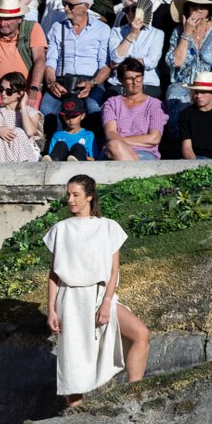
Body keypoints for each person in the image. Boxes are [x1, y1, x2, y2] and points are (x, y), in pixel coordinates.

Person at [44, 175, 149, 408]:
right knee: (73, 360)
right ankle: (77, 416)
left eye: (75, 195)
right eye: (68, 194)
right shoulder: (60, 230)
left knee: (141, 333)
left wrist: (107, 302)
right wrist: (51, 309)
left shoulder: (108, 227)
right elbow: (54, 274)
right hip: (70, 299)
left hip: (101, 294)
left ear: (89, 197)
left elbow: (114, 271)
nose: (70, 199)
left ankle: (134, 395)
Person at [41, 0, 111, 119]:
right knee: (47, 109)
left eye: (70, 5)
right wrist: (51, 83)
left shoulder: (102, 29)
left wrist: (92, 84)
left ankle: (90, 139)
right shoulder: (57, 27)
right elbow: (50, 61)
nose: (65, 8)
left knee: (93, 107)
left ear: (86, 6)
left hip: (91, 81)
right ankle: (56, 138)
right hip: (62, 81)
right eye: (64, 3)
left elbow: (105, 66)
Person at [164, 0, 212, 129]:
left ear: (209, 10)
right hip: (183, 84)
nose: (198, 10)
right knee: (175, 97)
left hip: (209, 84)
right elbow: (175, 62)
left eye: (202, 7)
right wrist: (186, 33)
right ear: (188, 9)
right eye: (194, 6)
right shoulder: (178, 31)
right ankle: (178, 144)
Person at [102, 58, 167, 160]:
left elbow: (154, 138)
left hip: (144, 153)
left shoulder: (154, 105)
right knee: (113, 146)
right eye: (130, 78)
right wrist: (124, 148)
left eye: (138, 77)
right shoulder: (112, 103)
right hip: (115, 150)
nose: (135, 82)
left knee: (114, 145)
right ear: (121, 80)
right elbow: (111, 133)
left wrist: (121, 141)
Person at [105, 0, 165, 98]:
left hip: (147, 82)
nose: (130, 13)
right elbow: (115, 58)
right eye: (126, 10)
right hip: (120, 83)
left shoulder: (157, 33)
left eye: (134, 8)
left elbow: (152, 61)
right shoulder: (116, 31)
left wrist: (123, 64)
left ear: (144, 9)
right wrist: (132, 34)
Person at [0, 70, 43, 162]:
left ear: (20, 94)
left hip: (26, 158)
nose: (3, 94)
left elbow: (30, 132)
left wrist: (23, 106)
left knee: (17, 131)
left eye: (9, 91)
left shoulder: (32, 113)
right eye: (1, 89)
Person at [178, 71, 212, 158]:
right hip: (194, 158)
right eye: (196, 92)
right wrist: (195, 166)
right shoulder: (186, 114)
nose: (199, 96)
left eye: (203, 92)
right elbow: (186, 147)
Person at [43, 93, 94, 161]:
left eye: (74, 116)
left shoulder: (89, 135)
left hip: (81, 167)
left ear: (82, 116)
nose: (71, 119)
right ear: (63, 117)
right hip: (59, 166)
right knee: (61, 145)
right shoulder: (57, 136)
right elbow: (50, 154)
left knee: (78, 147)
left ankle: (75, 160)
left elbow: (92, 158)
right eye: (67, 116)